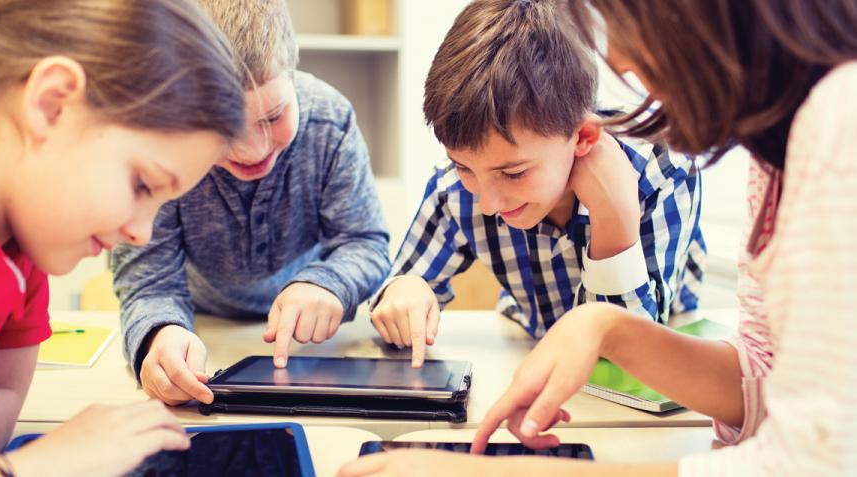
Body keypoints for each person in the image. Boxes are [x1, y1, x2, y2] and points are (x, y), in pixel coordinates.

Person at [338, 0, 857, 475]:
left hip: (641, 401)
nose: (618, 60)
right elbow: (762, 384)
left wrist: (497, 472)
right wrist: (603, 326)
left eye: (629, 21)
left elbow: (816, 459)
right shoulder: (776, 158)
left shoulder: (835, 125)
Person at [0, 1, 245, 475]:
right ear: (51, 104)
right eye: (143, 185)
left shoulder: (24, 247)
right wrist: (32, 467)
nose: (141, 232)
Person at [370, 0, 705, 367]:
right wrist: (405, 292)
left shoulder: (663, 171)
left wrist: (614, 213)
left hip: (657, 369)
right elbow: (399, 287)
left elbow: (628, 350)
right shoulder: (457, 189)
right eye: (463, 166)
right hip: (531, 347)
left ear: (584, 137)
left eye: (513, 173)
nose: (489, 204)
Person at [110, 0, 390, 406]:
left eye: (274, 116)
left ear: (293, 73)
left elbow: (365, 241)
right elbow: (149, 281)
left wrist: (330, 282)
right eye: (226, 129)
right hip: (197, 329)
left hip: (311, 345)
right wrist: (159, 335)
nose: (254, 148)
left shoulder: (331, 121)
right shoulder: (162, 141)